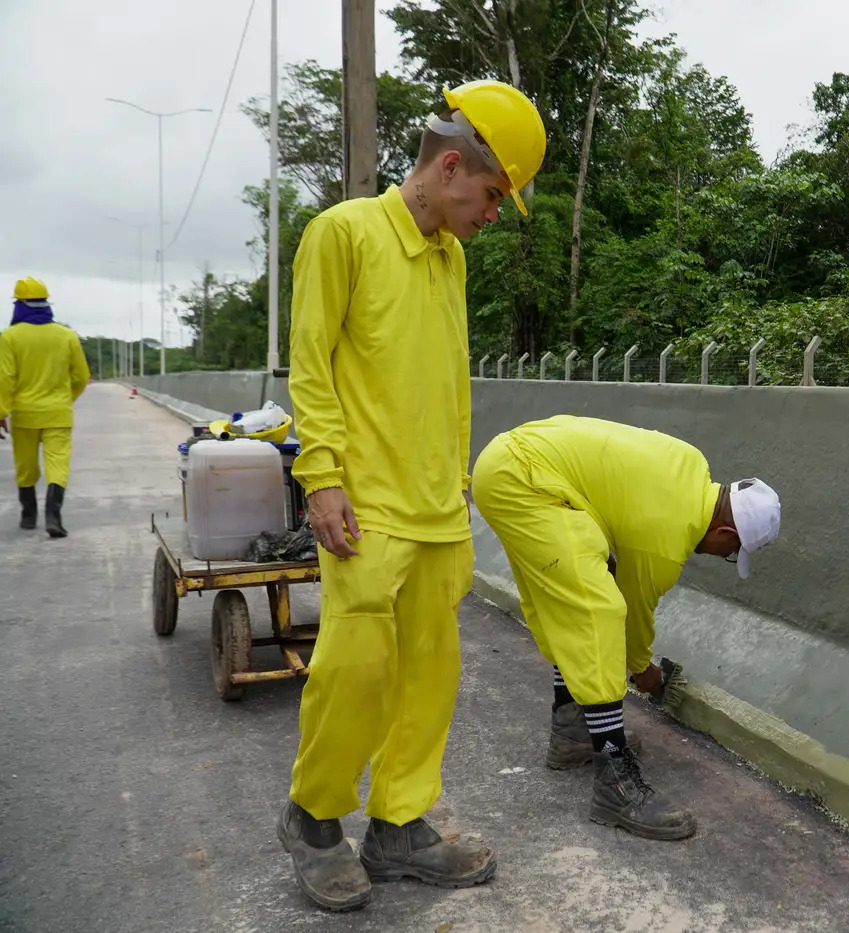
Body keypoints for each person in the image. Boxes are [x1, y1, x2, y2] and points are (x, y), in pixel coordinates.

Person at [279, 79, 546, 913]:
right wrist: (320, 477)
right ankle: (314, 818)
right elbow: (312, 366)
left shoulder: (449, 257)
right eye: (494, 195)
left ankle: (399, 825)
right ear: (453, 165)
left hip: (436, 507)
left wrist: (459, 483)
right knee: (355, 671)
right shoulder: (344, 234)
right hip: (365, 505)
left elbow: (448, 382)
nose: (492, 213)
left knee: (431, 675)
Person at [471, 414, 782, 841]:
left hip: (524, 461)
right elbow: (633, 614)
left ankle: (571, 729)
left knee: (580, 593)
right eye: (732, 551)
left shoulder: (690, 466)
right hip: (523, 481)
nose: (723, 556)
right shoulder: (667, 538)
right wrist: (645, 672)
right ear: (726, 531)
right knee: (597, 611)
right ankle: (614, 781)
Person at [0, 277, 90, 538]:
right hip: (58, 413)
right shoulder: (67, 335)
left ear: (18, 305)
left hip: (24, 413)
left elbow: (5, 378)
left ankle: (29, 517)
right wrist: (65, 399)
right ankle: (54, 516)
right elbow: (81, 377)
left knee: (26, 466)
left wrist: (1, 412)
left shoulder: (10, 337)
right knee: (57, 464)